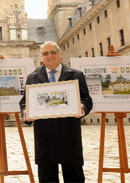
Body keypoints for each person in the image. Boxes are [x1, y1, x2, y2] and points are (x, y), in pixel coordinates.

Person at [20, 41, 93, 183]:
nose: (50, 56)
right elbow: (24, 102)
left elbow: (87, 99)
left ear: (60, 54)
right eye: (45, 53)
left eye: (53, 52)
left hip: (69, 133)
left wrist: (83, 106)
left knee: (74, 176)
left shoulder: (76, 75)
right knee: (47, 177)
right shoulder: (32, 77)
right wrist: (25, 111)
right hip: (44, 135)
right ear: (41, 57)